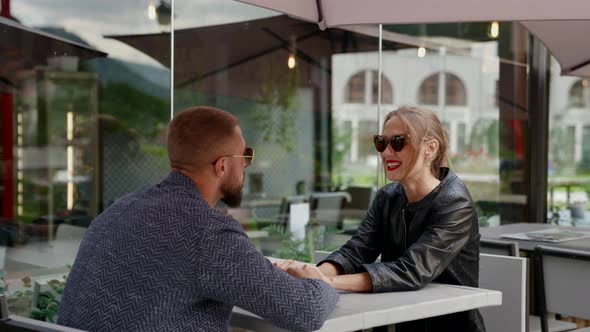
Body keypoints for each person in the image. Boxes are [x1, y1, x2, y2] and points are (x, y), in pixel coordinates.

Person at [58, 106, 339, 332]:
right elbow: (305, 312)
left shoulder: (117, 211)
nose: (246, 165)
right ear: (222, 165)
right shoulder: (208, 233)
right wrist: (321, 281)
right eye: (245, 155)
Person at [277, 106, 484, 332]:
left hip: (449, 326)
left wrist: (326, 283)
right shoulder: (387, 197)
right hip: (402, 321)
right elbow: (356, 251)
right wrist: (311, 275)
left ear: (430, 149)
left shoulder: (455, 202)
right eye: (380, 142)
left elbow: (411, 271)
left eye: (397, 143)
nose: (386, 153)